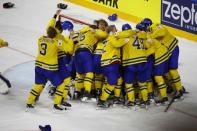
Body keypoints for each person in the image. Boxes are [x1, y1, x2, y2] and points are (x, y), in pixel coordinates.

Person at [26, 11, 74, 111]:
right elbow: (69, 49)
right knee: (64, 82)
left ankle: (30, 102)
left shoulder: (41, 38)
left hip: (39, 65)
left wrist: (55, 16)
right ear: (60, 31)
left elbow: (49, 26)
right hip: (53, 66)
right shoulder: (58, 40)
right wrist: (71, 37)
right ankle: (58, 102)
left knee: (39, 84)